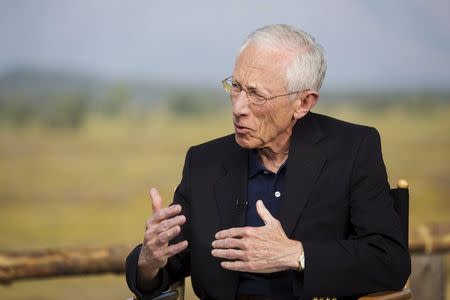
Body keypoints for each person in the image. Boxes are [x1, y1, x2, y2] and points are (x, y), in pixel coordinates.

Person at [125, 24, 411, 300]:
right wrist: (148, 262)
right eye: (236, 87)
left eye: (256, 94)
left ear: (303, 103)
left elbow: (389, 261)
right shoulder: (204, 162)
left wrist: (295, 254)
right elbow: (165, 268)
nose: (238, 108)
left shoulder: (353, 149)